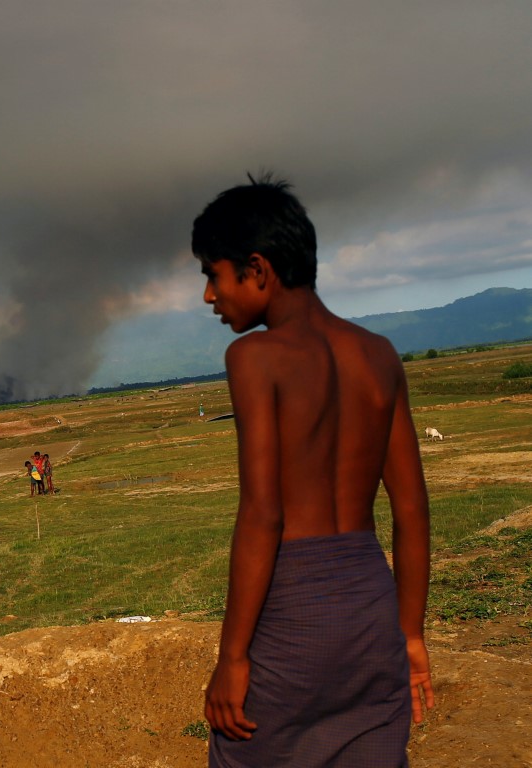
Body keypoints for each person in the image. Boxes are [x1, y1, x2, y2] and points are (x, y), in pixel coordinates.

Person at [193, 174, 434, 766]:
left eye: (212, 273)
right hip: (371, 607)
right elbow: (411, 508)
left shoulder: (254, 357)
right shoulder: (378, 353)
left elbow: (263, 514)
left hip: (294, 611)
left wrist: (233, 658)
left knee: (249, 748)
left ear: (257, 269)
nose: (208, 296)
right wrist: (410, 634)